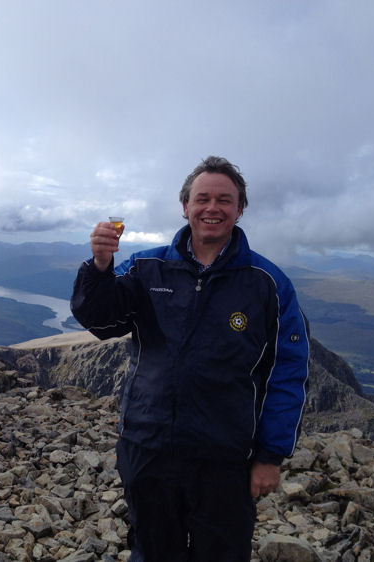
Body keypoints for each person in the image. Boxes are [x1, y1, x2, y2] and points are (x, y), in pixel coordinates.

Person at [70, 155, 309, 561]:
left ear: (239, 208)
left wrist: (270, 456)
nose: (211, 208)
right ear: (185, 206)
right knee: (152, 551)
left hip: (226, 459)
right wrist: (100, 266)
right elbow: (102, 320)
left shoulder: (268, 284)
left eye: (224, 200)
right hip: (148, 447)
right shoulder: (148, 268)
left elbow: (288, 372)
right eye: (202, 198)